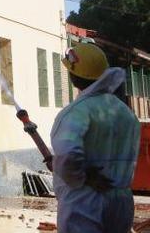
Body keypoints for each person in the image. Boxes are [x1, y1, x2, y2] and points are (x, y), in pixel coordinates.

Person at [50, 42, 140, 233]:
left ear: (74, 76)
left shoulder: (76, 112)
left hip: (86, 202)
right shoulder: (125, 112)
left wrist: (82, 176)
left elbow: (67, 155)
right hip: (121, 202)